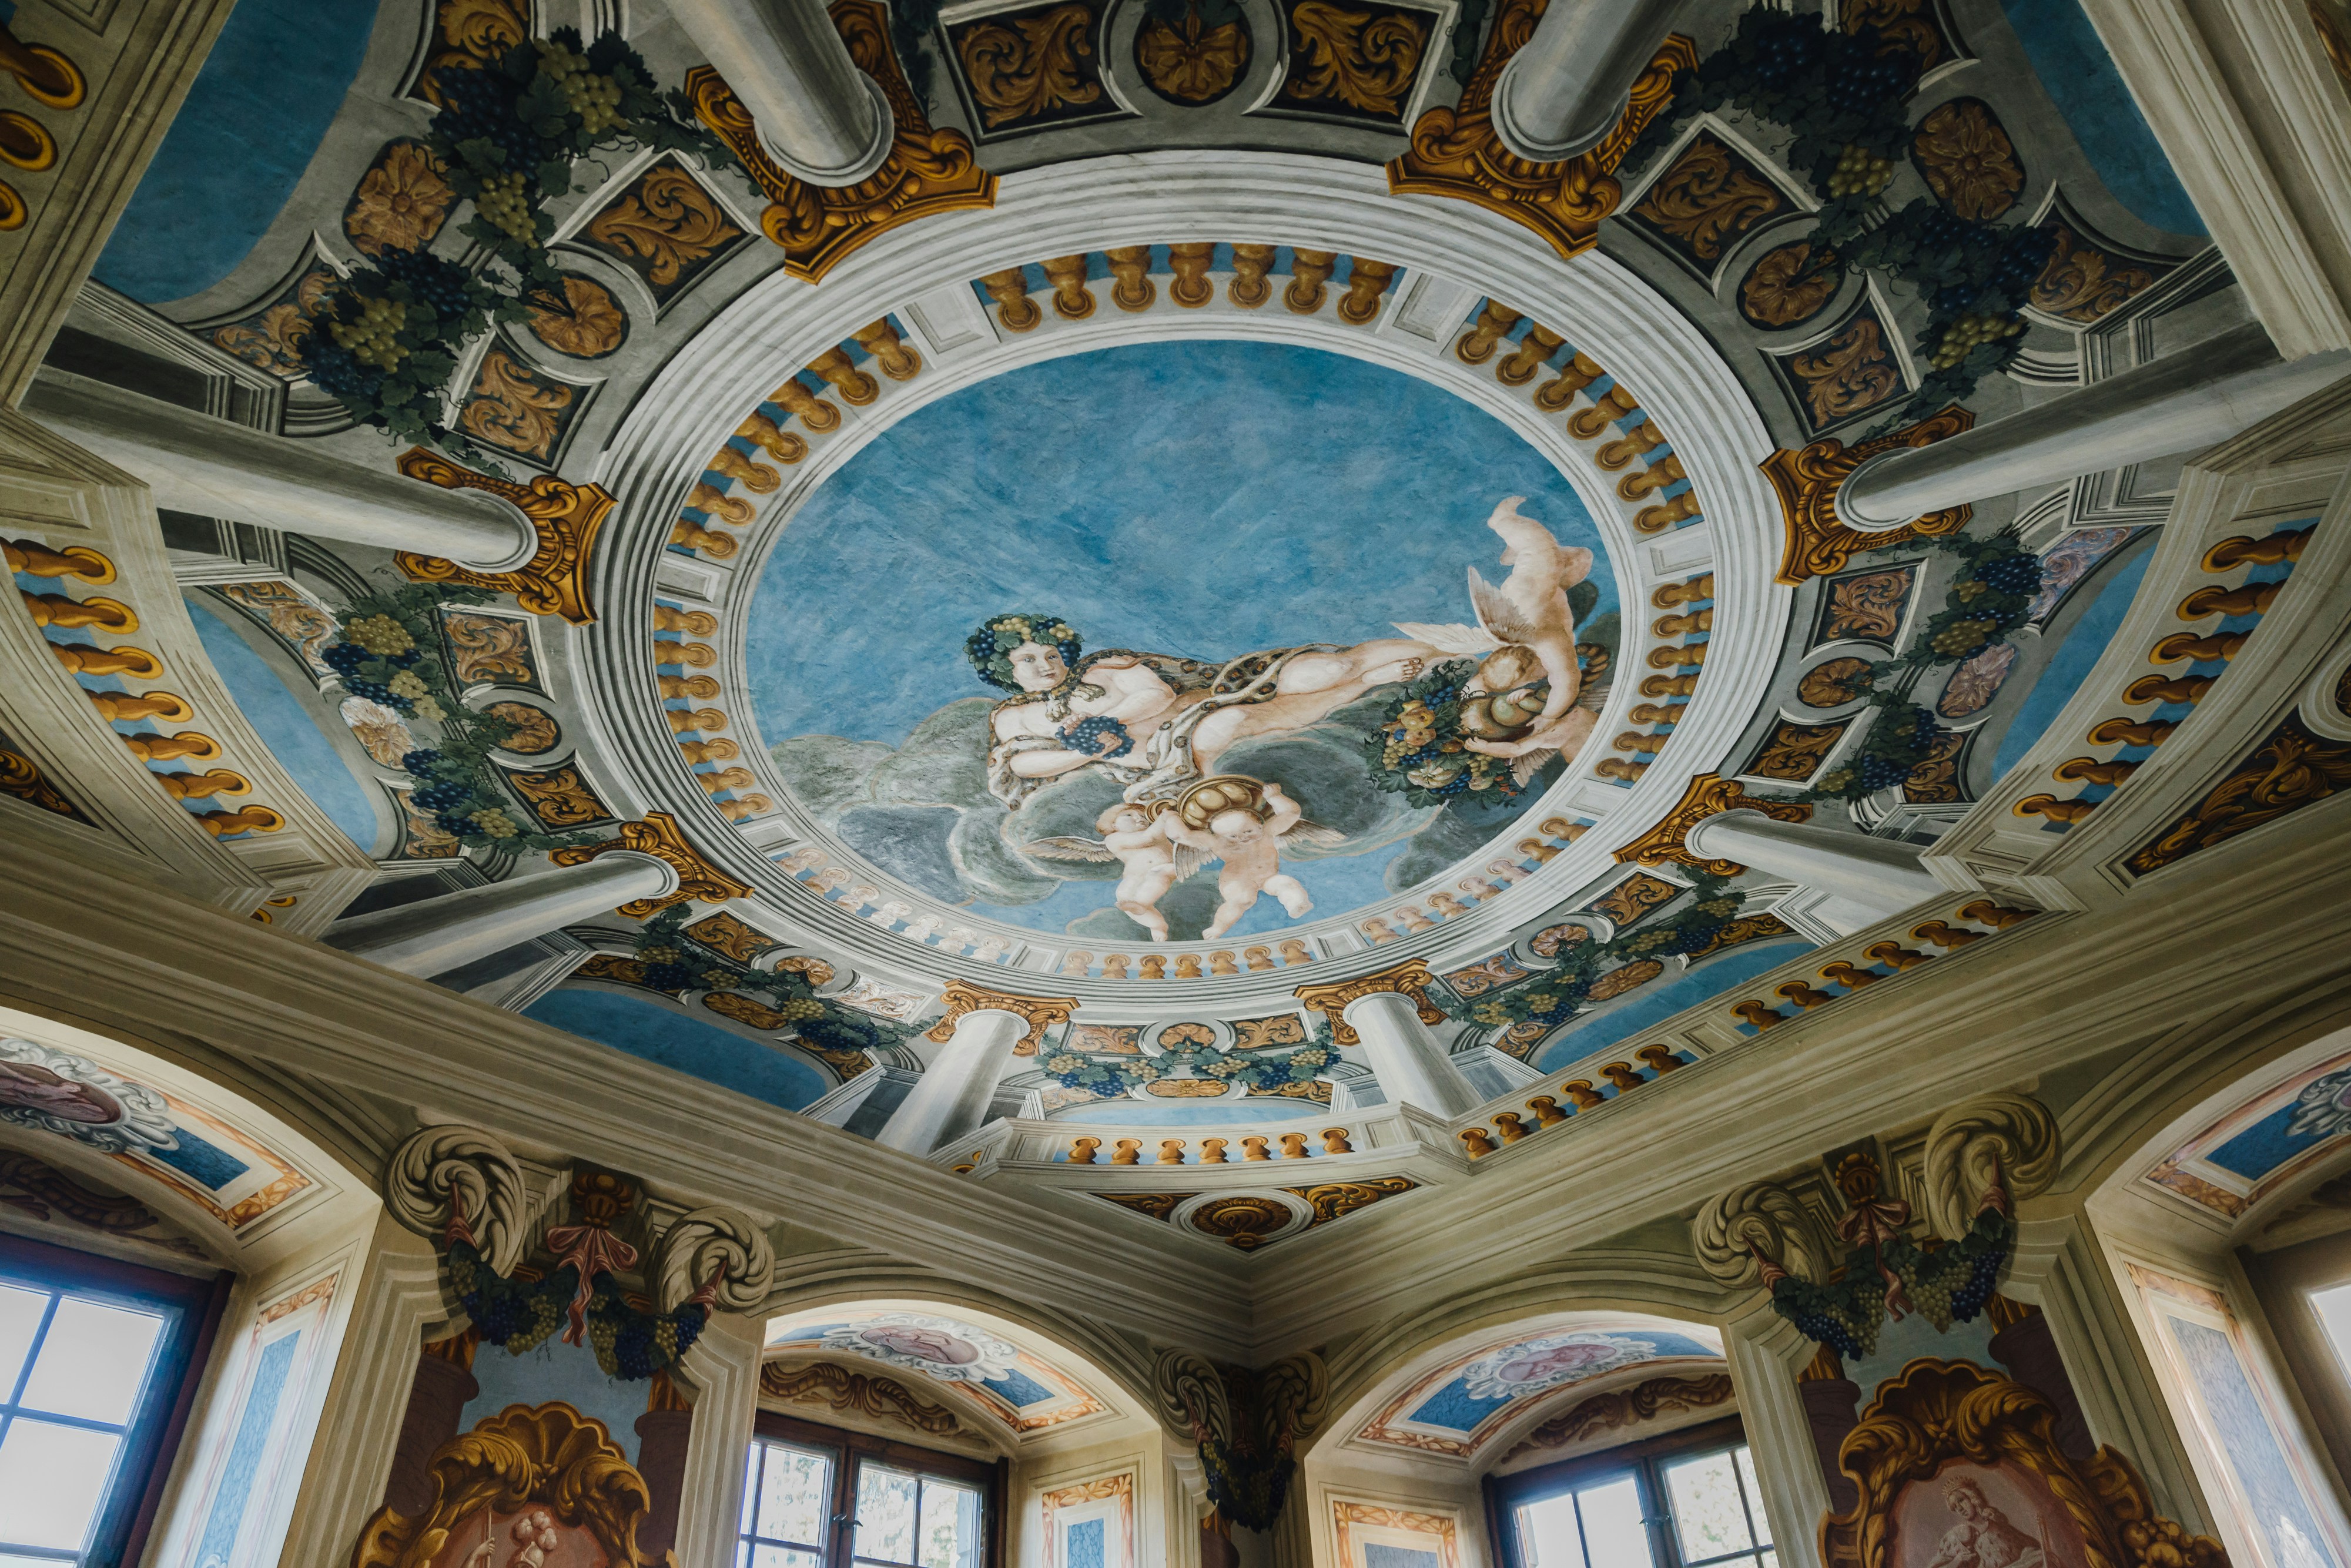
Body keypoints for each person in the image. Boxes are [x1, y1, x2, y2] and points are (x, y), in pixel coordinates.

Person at [969, 612, 1436, 809]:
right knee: (1228, 727)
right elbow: (1020, 765)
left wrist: (1107, 722)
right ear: (1005, 669)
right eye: (1028, 659)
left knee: (1326, 668)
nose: (1046, 665)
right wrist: (1085, 752)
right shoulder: (1013, 717)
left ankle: (1449, 649)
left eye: (1051, 654)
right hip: (1178, 746)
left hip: (1221, 690)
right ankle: (1366, 685)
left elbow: (1156, 695)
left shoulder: (1104, 667)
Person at [1159, 781, 1315, 939]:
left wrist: (1275, 797)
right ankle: (1219, 927)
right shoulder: (1217, 842)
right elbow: (1181, 836)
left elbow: (1291, 813)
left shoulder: (1268, 831)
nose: (1242, 838)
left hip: (1268, 877)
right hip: (1238, 881)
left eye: (1248, 831)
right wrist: (1172, 817)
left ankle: (1297, 904)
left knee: (1286, 883)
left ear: (1259, 825)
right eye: (1233, 836)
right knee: (1242, 901)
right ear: (1220, 836)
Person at [1922, 1474, 2047, 1568]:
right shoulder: (1956, 1538)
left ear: (1972, 1498)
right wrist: (1957, 1561)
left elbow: (2028, 1547)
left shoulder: (1997, 1525)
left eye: (1961, 1500)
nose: (1959, 1508)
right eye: (1955, 1507)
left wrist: (2036, 1555)